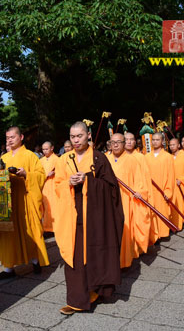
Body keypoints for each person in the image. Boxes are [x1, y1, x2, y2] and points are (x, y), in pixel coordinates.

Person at [53, 121, 124, 314]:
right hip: (71, 214)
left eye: (79, 136)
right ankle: (77, 298)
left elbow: (111, 188)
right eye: (72, 137)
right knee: (74, 255)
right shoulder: (64, 159)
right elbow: (56, 185)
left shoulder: (99, 158)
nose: (76, 140)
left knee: (93, 253)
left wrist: (88, 181)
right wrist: (68, 182)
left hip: (94, 216)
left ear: (88, 136)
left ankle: (94, 290)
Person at [0, 126, 49, 280]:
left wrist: (27, 174)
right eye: (7, 138)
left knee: (30, 230)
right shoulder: (3, 158)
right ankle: (8, 268)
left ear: (21, 137)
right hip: (8, 201)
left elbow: (40, 175)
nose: (9, 140)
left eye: (12, 137)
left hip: (25, 199)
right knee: (7, 234)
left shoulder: (30, 156)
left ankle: (35, 261)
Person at [106, 133, 150, 268]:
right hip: (107, 201)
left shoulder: (132, 160)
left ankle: (123, 261)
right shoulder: (105, 159)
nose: (116, 144)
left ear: (124, 143)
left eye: (119, 142)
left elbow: (140, 180)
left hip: (125, 200)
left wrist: (139, 192)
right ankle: (108, 261)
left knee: (124, 230)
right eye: (113, 142)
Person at [144, 133, 175, 243]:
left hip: (162, 190)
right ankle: (153, 235)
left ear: (162, 142)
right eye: (153, 140)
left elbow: (171, 175)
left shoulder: (168, 157)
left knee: (162, 211)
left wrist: (168, 190)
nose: (155, 142)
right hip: (150, 190)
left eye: (158, 140)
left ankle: (162, 233)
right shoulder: (146, 157)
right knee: (151, 213)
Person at [40, 141, 59, 232]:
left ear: (52, 148)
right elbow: (39, 174)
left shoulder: (57, 159)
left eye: (47, 149)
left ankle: (53, 228)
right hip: (44, 186)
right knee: (45, 207)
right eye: (43, 149)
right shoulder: (41, 160)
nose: (45, 151)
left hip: (53, 186)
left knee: (53, 207)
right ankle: (46, 227)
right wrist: (46, 175)